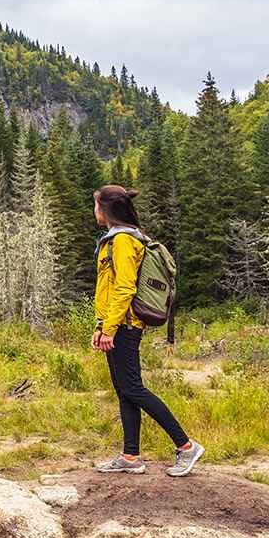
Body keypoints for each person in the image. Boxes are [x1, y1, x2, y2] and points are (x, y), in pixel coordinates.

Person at [89, 184, 204, 477]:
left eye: (96, 205)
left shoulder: (124, 241)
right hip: (116, 324)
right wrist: (101, 325)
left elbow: (125, 287)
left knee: (133, 389)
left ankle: (187, 446)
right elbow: (110, 288)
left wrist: (111, 328)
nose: (95, 211)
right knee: (125, 390)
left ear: (106, 209)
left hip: (125, 326)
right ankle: (130, 456)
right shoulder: (115, 239)